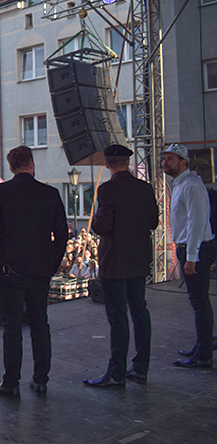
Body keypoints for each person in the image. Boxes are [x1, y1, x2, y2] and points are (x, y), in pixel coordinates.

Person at [0, 145, 68, 398]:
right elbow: (62, 234)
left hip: (10, 271)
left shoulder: (0, 192)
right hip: (40, 270)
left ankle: (11, 383)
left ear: (11, 167)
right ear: (32, 164)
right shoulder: (50, 193)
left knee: (12, 328)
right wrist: (52, 263)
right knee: (40, 324)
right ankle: (41, 380)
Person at [84, 145, 158, 388]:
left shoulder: (107, 189)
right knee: (140, 312)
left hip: (115, 261)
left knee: (118, 318)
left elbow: (103, 226)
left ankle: (116, 373)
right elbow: (153, 222)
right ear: (127, 162)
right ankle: (141, 368)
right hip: (138, 260)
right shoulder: (145, 188)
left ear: (107, 164)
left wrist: (94, 219)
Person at [162, 143, 216, 368]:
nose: (165, 162)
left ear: (183, 162)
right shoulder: (182, 184)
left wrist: (192, 256)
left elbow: (197, 222)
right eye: (164, 159)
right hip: (191, 248)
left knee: (199, 301)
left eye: (170, 159)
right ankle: (201, 346)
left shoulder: (191, 185)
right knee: (198, 301)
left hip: (197, 248)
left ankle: (203, 355)